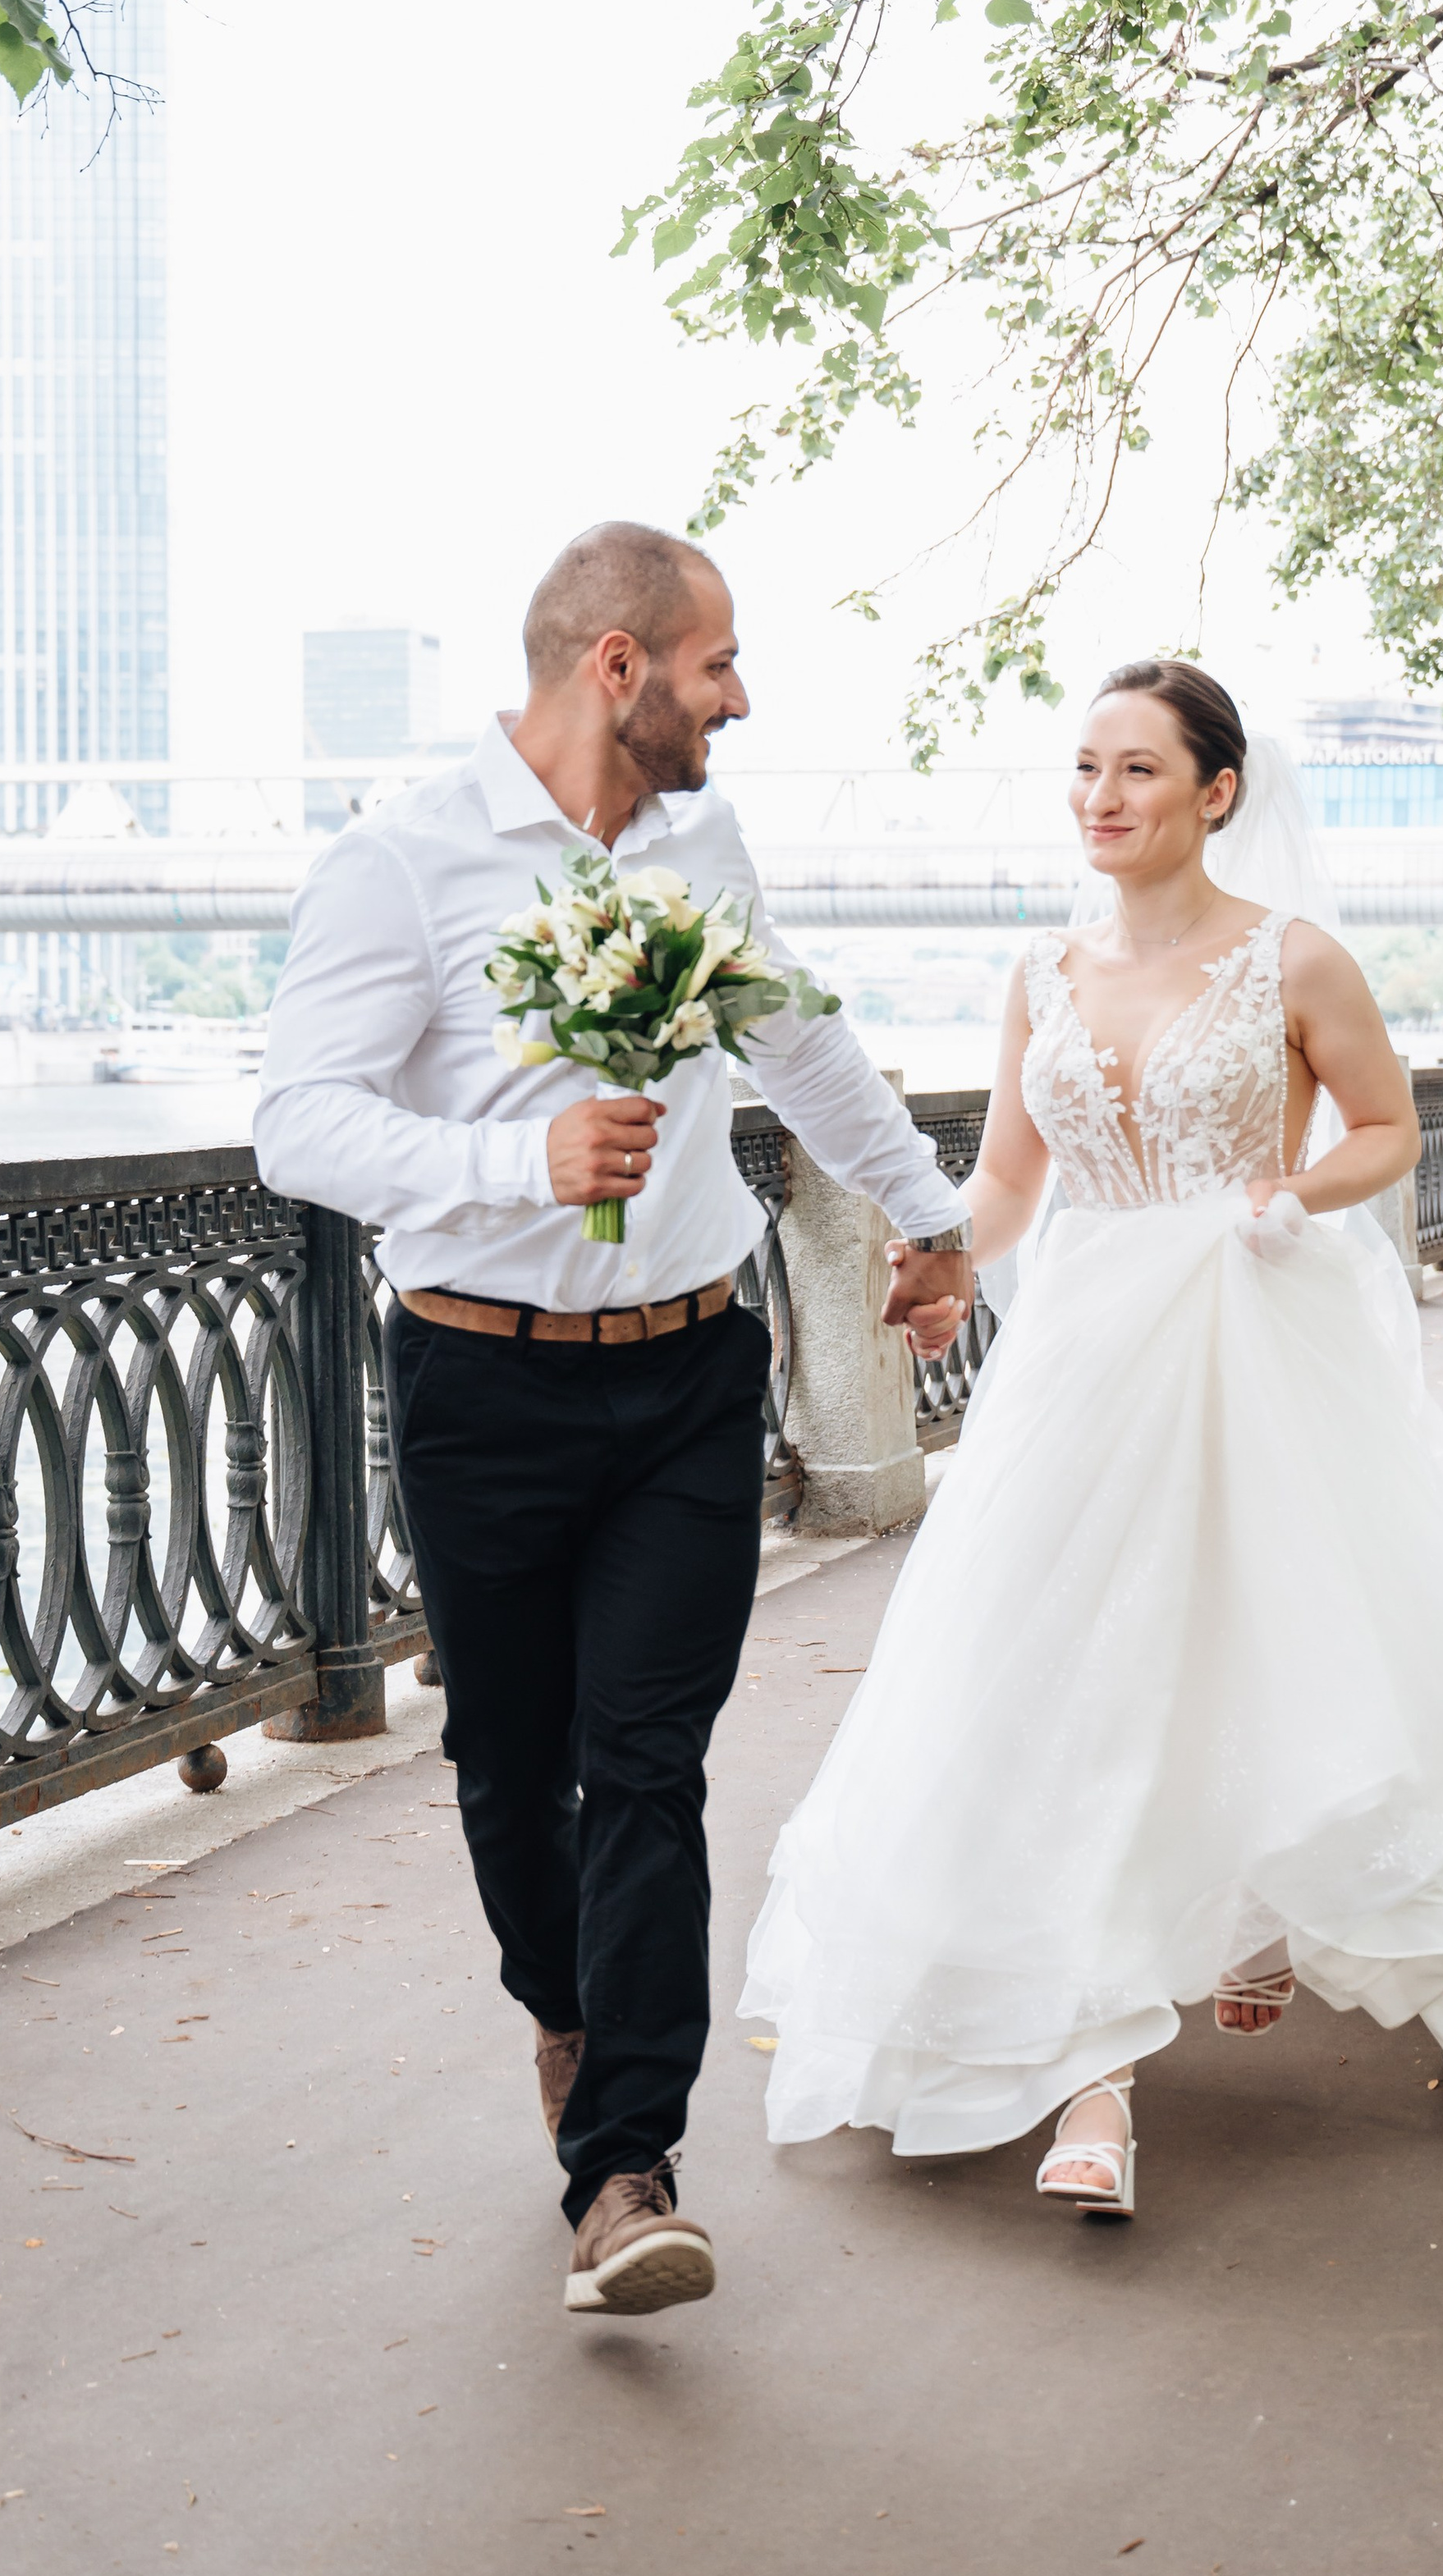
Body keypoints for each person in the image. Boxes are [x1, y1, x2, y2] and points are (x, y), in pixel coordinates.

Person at [740, 659, 1443, 2216]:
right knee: (1063, 1680)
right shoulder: (1043, 971)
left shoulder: (1294, 961)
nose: (1101, 797)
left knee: (1264, 1651)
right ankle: (1090, 2072)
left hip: (1248, 1336)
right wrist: (939, 1254)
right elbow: (1010, 1185)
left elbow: (1384, 1127)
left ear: (1216, 793)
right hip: (1075, 1368)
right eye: (1085, 768)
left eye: (1137, 770)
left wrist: (1290, 1191)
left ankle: (1233, 1924)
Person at [254, 523, 975, 2313]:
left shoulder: (696, 839)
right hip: (477, 1374)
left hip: (683, 1369)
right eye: (719, 664)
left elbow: (793, 1040)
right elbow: (298, 1122)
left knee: (647, 1762)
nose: (741, 696)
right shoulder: (403, 860)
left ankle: (628, 2169)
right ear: (618, 667)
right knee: (511, 1766)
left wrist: (931, 1209)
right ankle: (566, 2018)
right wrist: (524, 1158)